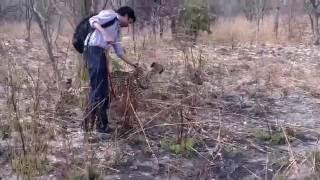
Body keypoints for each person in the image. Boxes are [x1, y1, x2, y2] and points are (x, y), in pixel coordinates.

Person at [83, 6, 137, 133]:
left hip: (100, 52)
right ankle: (95, 126)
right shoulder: (111, 15)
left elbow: (119, 52)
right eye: (129, 22)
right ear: (126, 16)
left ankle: (97, 125)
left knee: (103, 89)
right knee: (99, 88)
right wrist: (104, 32)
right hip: (92, 49)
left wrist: (133, 64)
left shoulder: (117, 30)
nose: (128, 25)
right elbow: (93, 20)